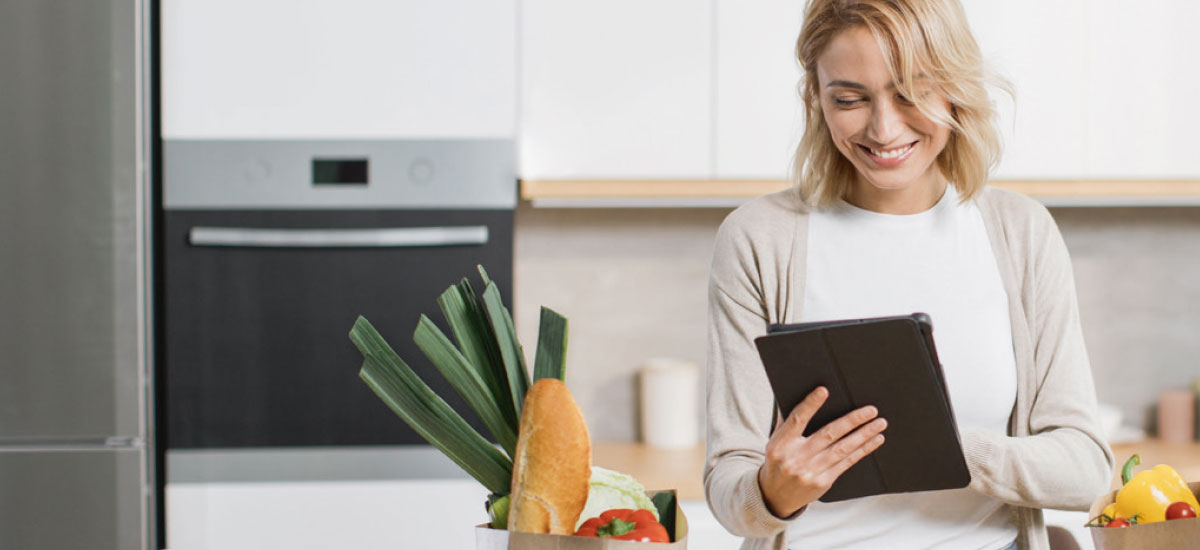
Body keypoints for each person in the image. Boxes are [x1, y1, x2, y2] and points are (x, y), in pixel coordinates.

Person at [703, 1, 1114, 549]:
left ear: (956, 87)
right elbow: (730, 486)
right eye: (849, 99)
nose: (883, 127)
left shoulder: (1021, 233)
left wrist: (943, 444)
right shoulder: (759, 239)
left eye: (912, 93)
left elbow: (1086, 468)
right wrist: (773, 491)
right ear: (814, 96)